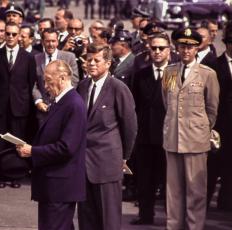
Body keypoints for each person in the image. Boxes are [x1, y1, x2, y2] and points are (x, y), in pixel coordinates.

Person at [16, 60, 87, 230]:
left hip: (60, 185)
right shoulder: (60, 101)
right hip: (53, 184)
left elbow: (66, 147)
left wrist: (33, 151)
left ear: (62, 78)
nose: (45, 86)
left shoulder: (73, 104)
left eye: (48, 80)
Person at [161, 28, 219, 230]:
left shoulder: (207, 74)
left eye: (191, 47)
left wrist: (200, 129)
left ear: (197, 49)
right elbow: (166, 102)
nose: (186, 50)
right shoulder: (169, 72)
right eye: (183, 46)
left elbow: (212, 109)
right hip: (173, 139)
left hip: (195, 140)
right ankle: (173, 226)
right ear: (176, 48)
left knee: (196, 191)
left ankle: (195, 227)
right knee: (173, 191)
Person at [77, 44, 137, 230]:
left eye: (97, 60)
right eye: (89, 60)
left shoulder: (118, 88)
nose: (92, 64)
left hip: (107, 163)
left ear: (108, 63)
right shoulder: (83, 86)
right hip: (83, 165)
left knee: (108, 220)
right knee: (86, 219)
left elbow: (130, 126)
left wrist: (124, 157)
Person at [0, 22, 37, 189]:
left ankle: (16, 176)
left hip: (19, 107)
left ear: (19, 36)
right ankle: (0, 176)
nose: (10, 37)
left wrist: (27, 105)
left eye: (14, 34)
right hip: (0, 107)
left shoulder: (28, 57)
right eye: (8, 33)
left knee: (17, 143)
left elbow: (30, 83)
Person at [130, 32, 170, 225]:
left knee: (169, 181)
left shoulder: (174, 74)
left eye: (161, 48)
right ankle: (145, 215)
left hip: (168, 137)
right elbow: (134, 106)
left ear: (169, 50)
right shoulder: (140, 75)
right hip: (145, 137)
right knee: (145, 180)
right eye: (153, 48)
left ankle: (172, 219)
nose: (157, 52)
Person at [208, 23, 232, 210]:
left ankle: (226, 203)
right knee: (214, 168)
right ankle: (203, 208)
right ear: (228, 44)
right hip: (219, 125)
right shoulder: (213, 65)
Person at [33, 28, 79, 125]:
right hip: (42, 111)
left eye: (53, 41)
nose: (50, 44)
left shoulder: (69, 57)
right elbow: (33, 83)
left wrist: (60, 99)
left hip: (64, 107)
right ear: (42, 42)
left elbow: (74, 81)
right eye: (47, 41)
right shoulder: (36, 59)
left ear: (58, 42)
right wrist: (38, 101)